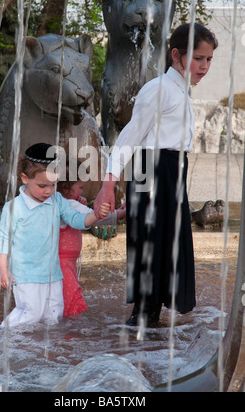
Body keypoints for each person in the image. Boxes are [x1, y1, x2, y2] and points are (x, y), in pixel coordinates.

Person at [94, 23, 218, 327]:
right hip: (151, 166)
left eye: (209, 59)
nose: (204, 66)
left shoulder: (180, 89)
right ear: (176, 55)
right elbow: (129, 137)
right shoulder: (159, 89)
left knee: (165, 241)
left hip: (170, 168)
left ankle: (149, 318)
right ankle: (141, 320)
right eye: (198, 58)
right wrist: (107, 186)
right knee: (150, 240)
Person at [0, 143, 109, 327]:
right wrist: (3, 267)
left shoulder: (57, 200)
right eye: (42, 186)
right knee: (30, 313)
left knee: (53, 316)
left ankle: (46, 351)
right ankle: (6, 335)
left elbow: (75, 219)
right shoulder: (14, 207)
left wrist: (96, 215)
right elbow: (3, 237)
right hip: (26, 274)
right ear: (25, 179)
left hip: (53, 274)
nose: (49, 191)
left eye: (53, 185)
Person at [57, 158, 126, 317]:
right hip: (62, 264)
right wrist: (122, 214)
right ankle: (70, 335)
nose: (82, 191)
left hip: (65, 262)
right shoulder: (68, 205)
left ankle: (61, 329)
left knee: (63, 298)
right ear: (66, 189)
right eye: (80, 187)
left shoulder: (66, 202)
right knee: (72, 299)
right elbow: (96, 216)